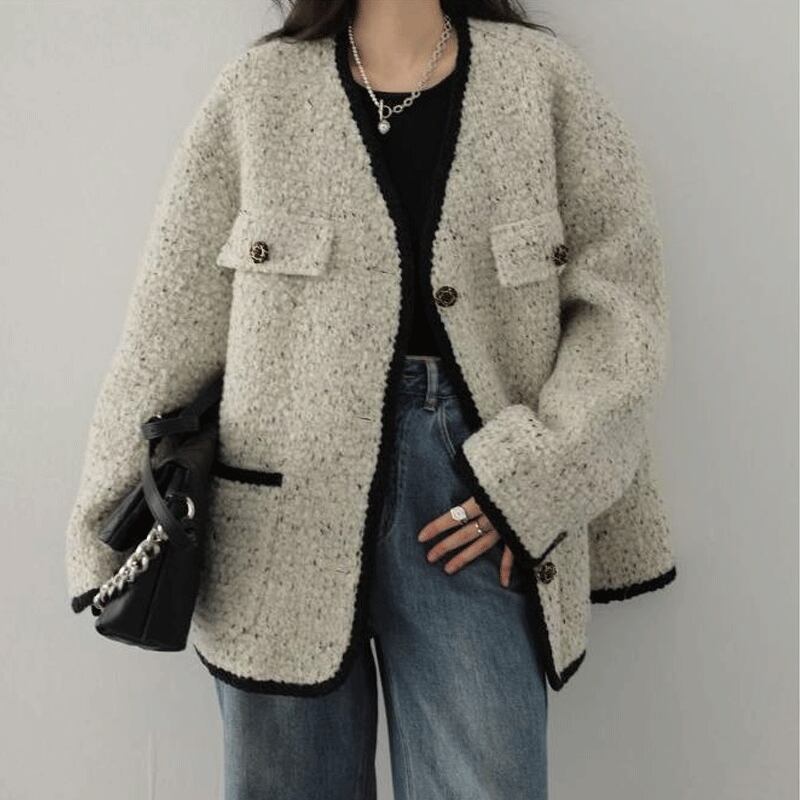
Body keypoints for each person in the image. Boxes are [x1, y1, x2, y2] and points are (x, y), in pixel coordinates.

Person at [65, 1, 677, 797]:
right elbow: (171, 320)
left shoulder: (543, 82)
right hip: (277, 517)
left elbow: (623, 317)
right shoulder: (259, 91)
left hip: (473, 497)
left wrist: (532, 481)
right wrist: (106, 528)